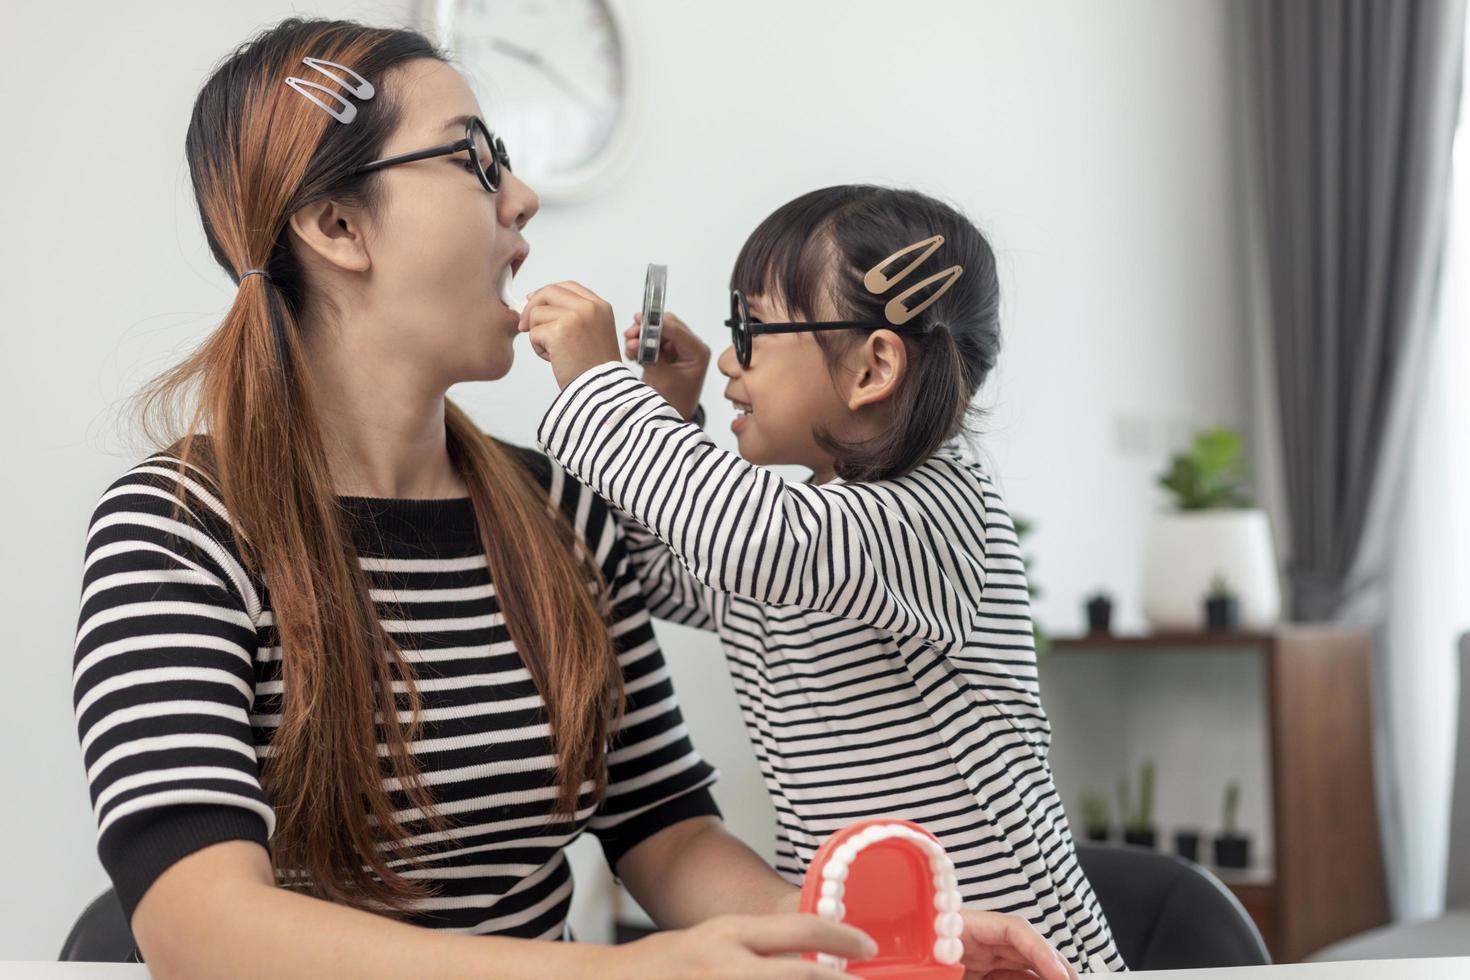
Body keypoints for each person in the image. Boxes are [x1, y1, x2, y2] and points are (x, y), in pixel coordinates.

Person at [71, 19, 1075, 980]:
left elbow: (665, 831)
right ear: (337, 224)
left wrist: (850, 942)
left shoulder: (558, 509)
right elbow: (199, 929)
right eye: (474, 160)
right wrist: (628, 967)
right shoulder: (177, 528)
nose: (523, 197)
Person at [519, 185, 1125, 974]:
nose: (731, 360)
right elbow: (667, 574)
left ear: (873, 365)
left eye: (753, 331)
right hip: (883, 947)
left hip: (1016, 955)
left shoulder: (941, 509)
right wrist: (670, 419)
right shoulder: (812, 525)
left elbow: (751, 540)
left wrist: (605, 386)